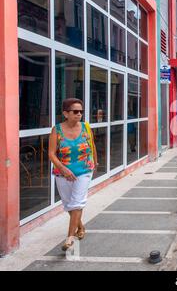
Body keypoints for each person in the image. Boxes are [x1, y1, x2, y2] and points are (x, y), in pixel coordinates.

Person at [48, 98, 98, 251]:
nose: (79, 114)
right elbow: (51, 153)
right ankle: (81, 227)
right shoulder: (56, 130)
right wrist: (63, 169)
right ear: (65, 113)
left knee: (77, 202)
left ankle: (69, 238)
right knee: (69, 204)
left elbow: (92, 146)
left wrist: (95, 163)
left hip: (84, 170)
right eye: (75, 111)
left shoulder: (86, 127)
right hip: (62, 172)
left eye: (81, 111)